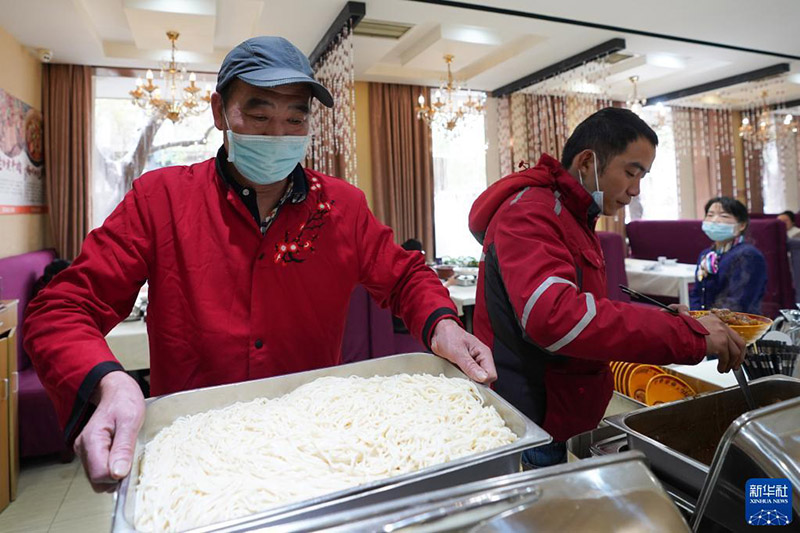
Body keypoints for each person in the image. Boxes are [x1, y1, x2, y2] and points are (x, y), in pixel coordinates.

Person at [23, 36, 496, 492]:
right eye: (260, 113)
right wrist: (110, 381)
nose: (279, 134)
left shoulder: (340, 207)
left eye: (295, 119)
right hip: (194, 449)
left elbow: (406, 275)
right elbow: (60, 310)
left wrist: (442, 325)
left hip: (310, 443)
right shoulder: (162, 199)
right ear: (219, 113)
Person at [468, 108, 745, 467]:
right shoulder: (531, 213)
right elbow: (554, 317)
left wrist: (665, 320)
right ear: (587, 161)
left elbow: (585, 305)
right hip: (530, 414)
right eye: (631, 172)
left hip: (557, 407)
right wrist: (686, 336)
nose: (635, 189)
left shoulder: (571, 214)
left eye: (642, 176)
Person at [690, 197, 767, 314]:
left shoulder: (748, 255)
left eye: (724, 216)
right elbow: (696, 293)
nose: (715, 220)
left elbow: (738, 301)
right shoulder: (707, 254)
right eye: (710, 215)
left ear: (741, 225)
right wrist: (695, 318)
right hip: (705, 323)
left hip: (736, 325)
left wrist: (710, 321)